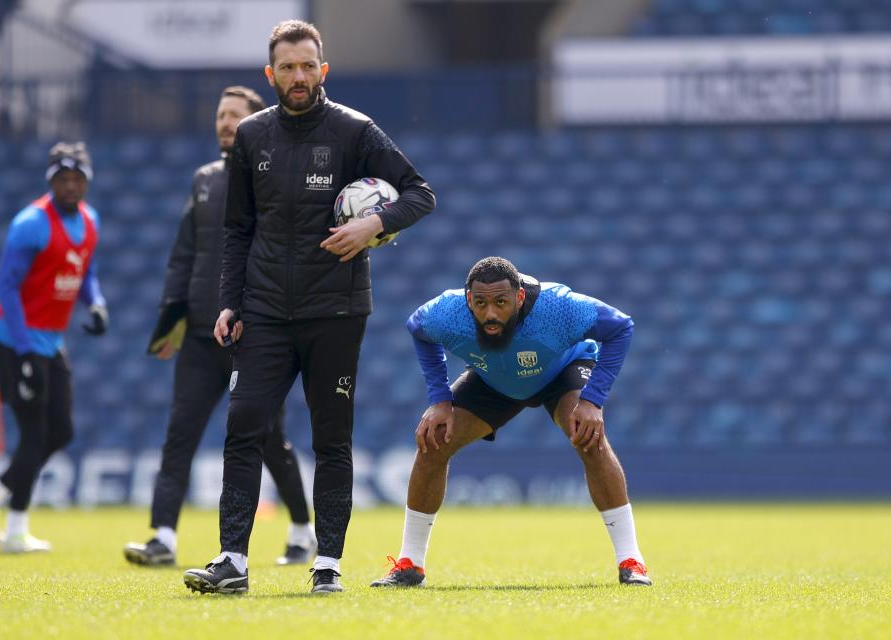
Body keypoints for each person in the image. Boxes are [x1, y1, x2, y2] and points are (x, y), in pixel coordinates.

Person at [182, 20, 436, 595]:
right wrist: (229, 303)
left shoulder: (354, 131)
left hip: (337, 311)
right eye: (288, 68)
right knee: (243, 426)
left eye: (308, 66)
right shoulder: (251, 136)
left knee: (331, 440)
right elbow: (238, 230)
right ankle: (233, 562)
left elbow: (421, 192)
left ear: (324, 69)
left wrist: (375, 222)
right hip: (265, 310)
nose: (299, 76)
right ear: (270, 75)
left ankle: (328, 566)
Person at [370, 256, 652, 588]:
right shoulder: (448, 313)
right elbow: (417, 328)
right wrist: (439, 400)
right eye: (481, 303)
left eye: (501, 302)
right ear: (467, 301)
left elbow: (621, 327)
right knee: (434, 441)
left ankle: (631, 561)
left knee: (588, 438)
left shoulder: (557, 308)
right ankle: (409, 564)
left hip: (562, 370)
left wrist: (593, 400)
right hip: (494, 379)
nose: (490, 313)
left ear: (518, 298)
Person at [124, 86, 315, 568]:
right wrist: (171, 320)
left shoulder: (270, 182)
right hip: (198, 335)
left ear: (255, 124)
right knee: (180, 433)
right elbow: (184, 256)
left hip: (251, 335)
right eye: (220, 115)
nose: (225, 122)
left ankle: (301, 528)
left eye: (234, 115)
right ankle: (163, 536)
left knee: (270, 440)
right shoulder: (204, 180)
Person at [0, 142, 108, 553]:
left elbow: (86, 270)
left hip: (50, 341)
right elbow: (7, 289)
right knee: (34, 432)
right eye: (63, 179)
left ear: (87, 182)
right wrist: (24, 354)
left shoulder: (90, 221)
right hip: (14, 338)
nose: (71, 186)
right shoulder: (30, 224)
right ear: (51, 182)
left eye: (78, 179)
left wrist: (95, 302)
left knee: (61, 430)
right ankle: (15, 530)